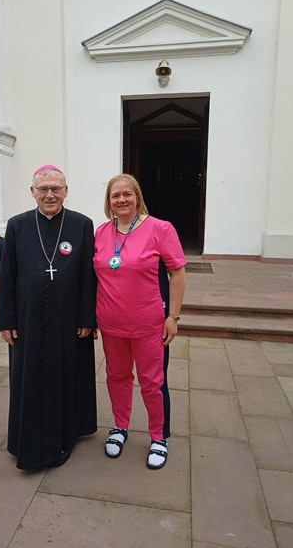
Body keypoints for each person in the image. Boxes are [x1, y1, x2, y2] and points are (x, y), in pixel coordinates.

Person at [0, 164, 97, 470]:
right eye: (43, 189)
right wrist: (6, 321)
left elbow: (88, 276)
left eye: (56, 189)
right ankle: (27, 439)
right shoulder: (17, 225)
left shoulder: (82, 224)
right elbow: (7, 276)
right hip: (27, 320)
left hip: (68, 319)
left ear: (66, 191)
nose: (49, 195)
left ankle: (67, 433)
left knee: (67, 373)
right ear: (32, 192)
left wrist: (87, 318)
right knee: (29, 376)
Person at [93, 174, 186, 470]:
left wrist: (173, 316)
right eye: (115, 195)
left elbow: (177, 273)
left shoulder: (160, 228)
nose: (121, 200)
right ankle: (120, 427)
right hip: (111, 323)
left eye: (127, 194)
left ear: (137, 197)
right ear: (109, 201)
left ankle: (158, 437)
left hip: (149, 324)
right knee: (117, 376)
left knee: (152, 382)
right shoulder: (101, 232)